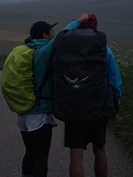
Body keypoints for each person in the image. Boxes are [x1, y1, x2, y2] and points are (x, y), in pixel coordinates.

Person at [18, 13, 89, 177]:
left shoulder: (28, 50)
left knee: (30, 153)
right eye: (51, 31)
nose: (53, 34)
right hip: (39, 114)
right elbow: (63, 36)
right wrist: (78, 21)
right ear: (45, 35)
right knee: (41, 158)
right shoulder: (43, 51)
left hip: (23, 113)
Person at [63, 14, 122, 177]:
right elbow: (114, 80)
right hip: (99, 106)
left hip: (73, 106)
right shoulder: (105, 50)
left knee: (76, 156)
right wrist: (115, 104)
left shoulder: (67, 50)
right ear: (96, 27)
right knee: (100, 149)